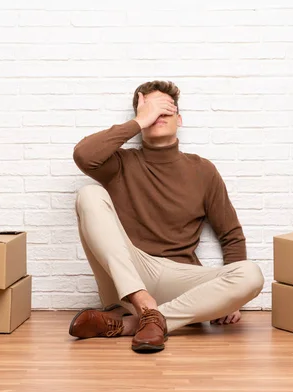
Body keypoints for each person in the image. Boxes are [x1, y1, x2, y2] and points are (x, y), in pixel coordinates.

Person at [69, 80, 265, 353]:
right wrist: (139, 121)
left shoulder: (202, 170)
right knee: (88, 194)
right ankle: (144, 306)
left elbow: (231, 235)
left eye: (165, 112)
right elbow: (83, 155)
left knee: (251, 274)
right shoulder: (120, 164)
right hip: (129, 277)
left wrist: (231, 302)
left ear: (179, 119)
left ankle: (137, 323)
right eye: (151, 111)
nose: (157, 118)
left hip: (181, 283)